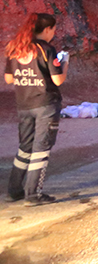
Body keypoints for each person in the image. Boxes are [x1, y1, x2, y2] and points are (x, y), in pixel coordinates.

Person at [5, 13, 67, 206]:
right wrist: (64, 63)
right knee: (42, 148)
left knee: (25, 147)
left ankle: (14, 190)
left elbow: (8, 79)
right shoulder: (46, 49)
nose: (53, 34)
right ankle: (33, 194)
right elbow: (58, 80)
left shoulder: (16, 48)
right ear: (47, 29)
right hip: (46, 104)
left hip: (24, 104)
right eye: (53, 30)